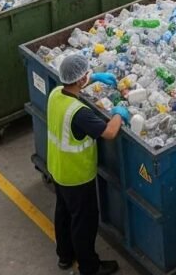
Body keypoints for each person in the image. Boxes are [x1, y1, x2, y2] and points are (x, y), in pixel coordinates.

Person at [48, 53, 129, 275]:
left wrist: (95, 78)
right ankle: (89, 267)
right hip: (77, 177)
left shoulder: (56, 94)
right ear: (79, 80)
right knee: (84, 223)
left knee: (63, 213)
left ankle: (64, 256)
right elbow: (110, 132)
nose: (87, 77)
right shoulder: (79, 114)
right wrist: (119, 114)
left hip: (58, 169)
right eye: (86, 75)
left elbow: (74, 86)